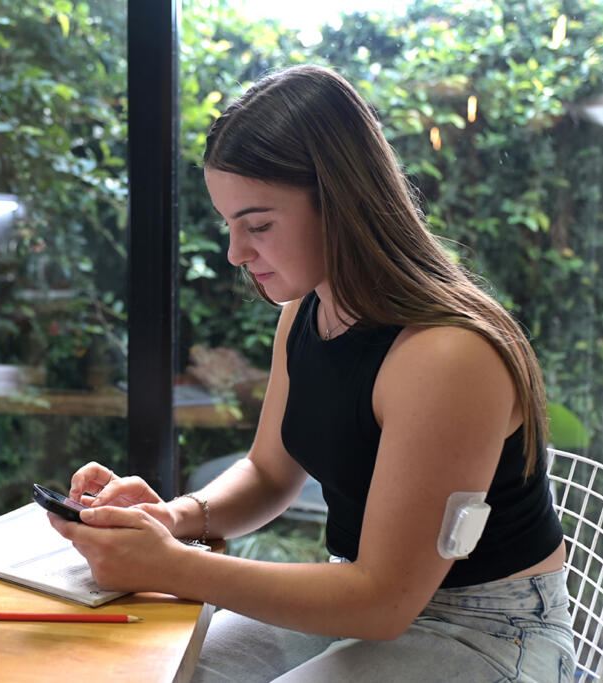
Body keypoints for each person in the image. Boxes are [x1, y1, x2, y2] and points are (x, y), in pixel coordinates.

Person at [47, 64, 576, 682]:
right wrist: (175, 518)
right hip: (355, 598)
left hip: (485, 631)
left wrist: (169, 565)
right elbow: (269, 474)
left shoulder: (446, 356)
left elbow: (383, 601)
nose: (236, 254)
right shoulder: (307, 310)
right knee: (152, 671)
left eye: (259, 225)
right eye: (229, 225)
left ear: (343, 203)